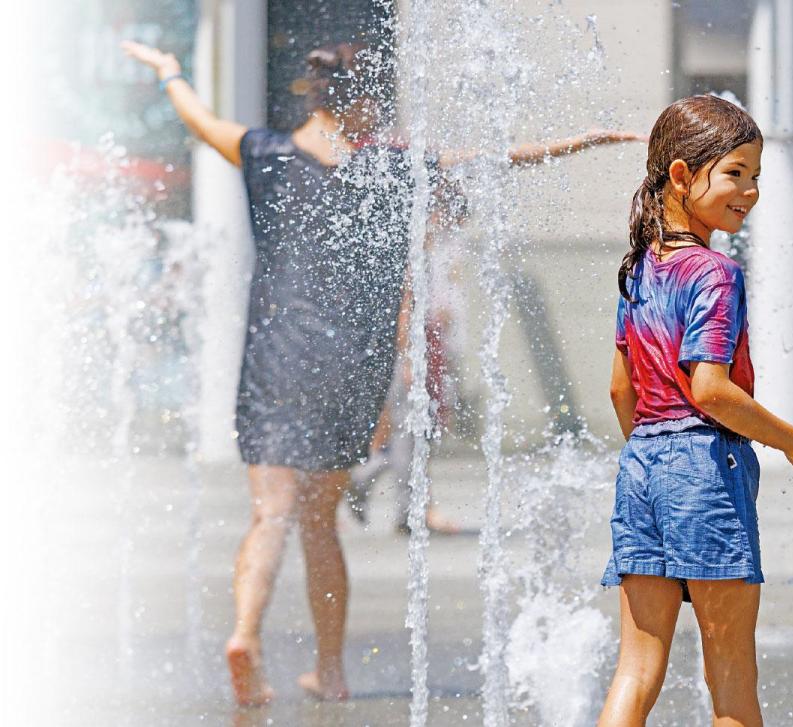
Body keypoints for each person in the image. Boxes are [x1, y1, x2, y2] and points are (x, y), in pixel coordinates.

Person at [122, 39, 643, 707]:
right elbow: (495, 160)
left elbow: (197, 120)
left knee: (270, 513)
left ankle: (245, 632)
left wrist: (170, 73)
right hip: (348, 365)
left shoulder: (265, 152)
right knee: (319, 520)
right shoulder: (389, 170)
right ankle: (330, 669)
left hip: (275, 359)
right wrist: (585, 140)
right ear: (358, 100)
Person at [597, 95, 793, 727]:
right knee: (730, 670)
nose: (750, 190)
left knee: (637, 666)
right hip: (704, 465)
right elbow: (711, 390)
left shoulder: (640, 267)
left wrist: (654, 454)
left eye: (755, 175)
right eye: (734, 172)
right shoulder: (714, 273)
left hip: (642, 463)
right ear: (679, 175)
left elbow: (622, 391)